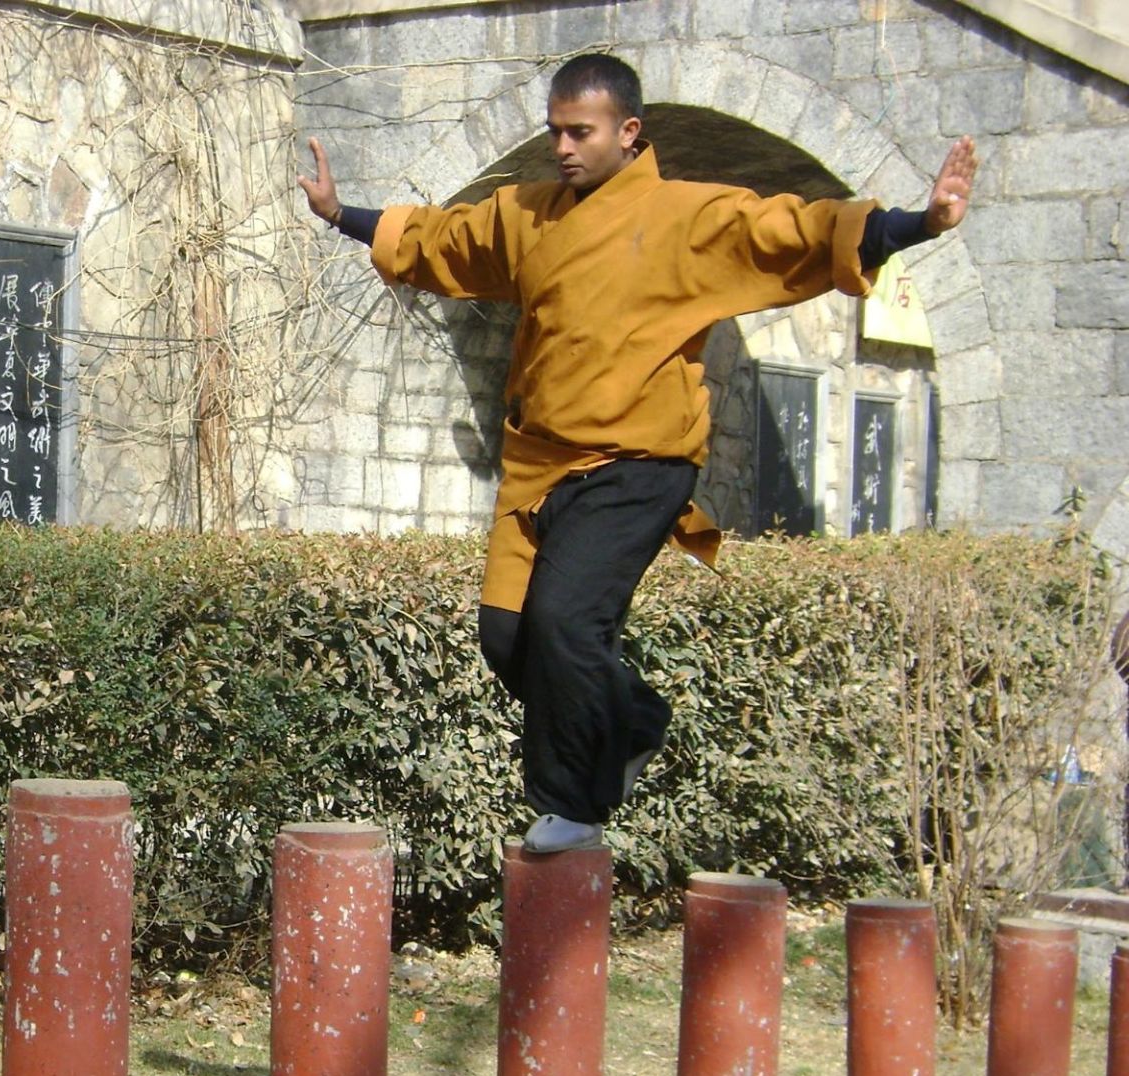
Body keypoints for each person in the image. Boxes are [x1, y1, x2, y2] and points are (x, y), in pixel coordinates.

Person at [298, 53, 979, 853]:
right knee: (506, 637)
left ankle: (574, 804)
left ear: (628, 132)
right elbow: (447, 240)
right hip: (539, 464)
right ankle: (635, 719)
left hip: (640, 464)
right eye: (554, 131)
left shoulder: (688, 218)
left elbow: (791, 230)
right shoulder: (529, 215)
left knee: (565, 621)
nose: (562, 147)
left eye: (579, 131)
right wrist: (343, 214)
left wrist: (916, 224)